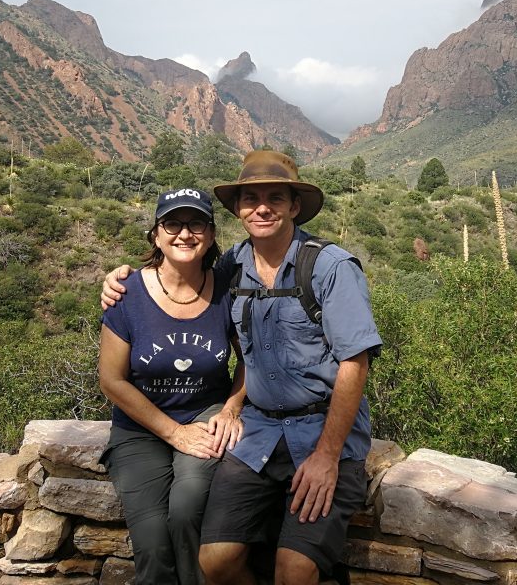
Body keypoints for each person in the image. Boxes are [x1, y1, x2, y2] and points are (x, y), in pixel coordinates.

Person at [102, 151, 382, 585]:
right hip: (258, 436)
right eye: (251, 198)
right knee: (215, 561)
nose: (262, 207)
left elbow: (355, 364)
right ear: (238, 209)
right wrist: (120, 277)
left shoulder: (329, 267)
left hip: (322, 435)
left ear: (293, 206)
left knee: (294, 571)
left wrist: (327, 457)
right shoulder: (233, 267)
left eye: (275, 197)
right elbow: (180, 274)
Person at [98, 187, 245, 585]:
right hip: (139, 428)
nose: (185, 233)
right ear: (156, 235)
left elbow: (248, 359)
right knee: (153, 541)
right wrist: (174, 432)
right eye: (173, 223)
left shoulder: (227, 290)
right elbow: (111, 380)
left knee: (187, 510)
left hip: (206, 414)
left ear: (211, 235)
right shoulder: (127, 294)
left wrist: (231, 409)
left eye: (196, 223)